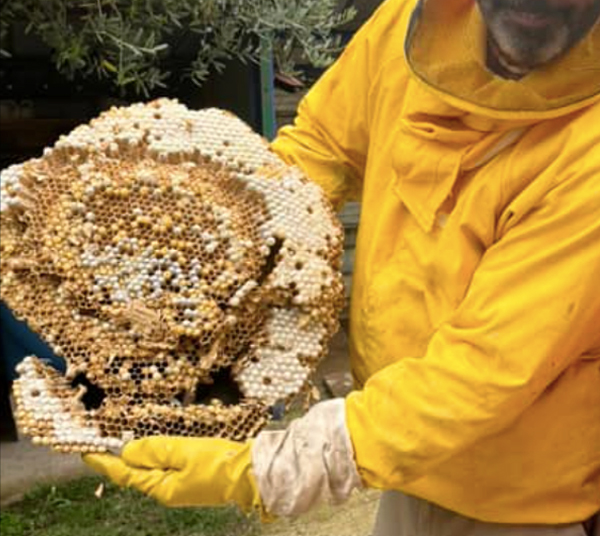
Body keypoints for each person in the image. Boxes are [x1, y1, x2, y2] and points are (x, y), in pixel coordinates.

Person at [84, 0, 600, 534]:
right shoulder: (409, 24)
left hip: (523, 500)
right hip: (400, 458)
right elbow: (323, 147)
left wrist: (278, 467)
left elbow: (485, 371)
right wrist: (223, 243)